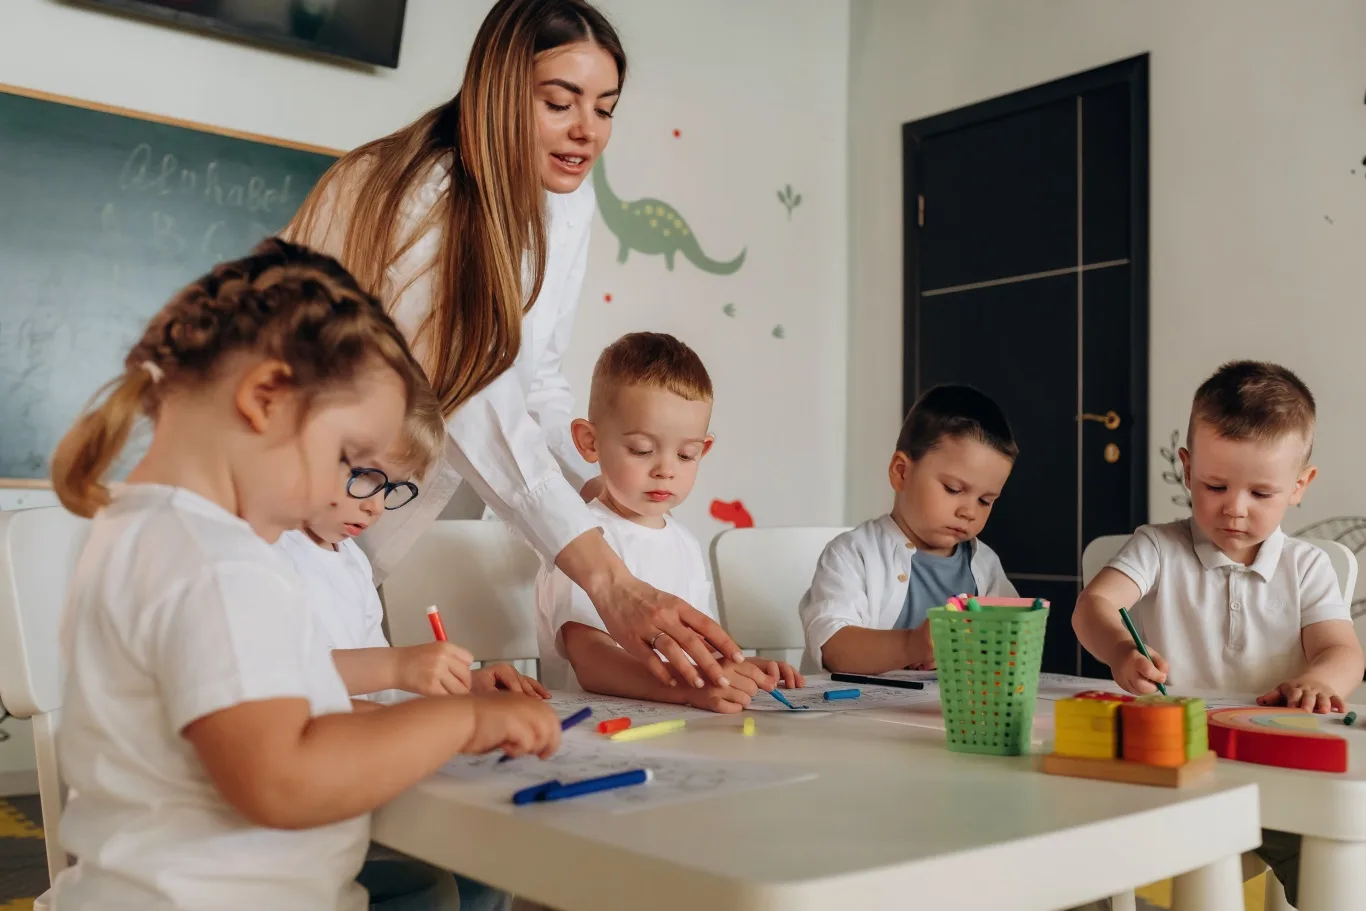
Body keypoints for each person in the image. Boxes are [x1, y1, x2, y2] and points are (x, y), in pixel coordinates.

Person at [48, 239, 561, 911]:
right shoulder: (215, 563)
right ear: (264, 397)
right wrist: (461, 722)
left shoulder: (140, 531)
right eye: (347, 453)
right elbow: (283, 777)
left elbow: (285, 721)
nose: (345, 488)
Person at [285, 0, 742, 692]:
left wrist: (600, 482)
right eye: (560, 102)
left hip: (351, 526)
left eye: (606, 107)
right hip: (295, 508)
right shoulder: (423, 199)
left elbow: (538, 381)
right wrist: (606, 575)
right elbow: (471, 396)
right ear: (499, 94)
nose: (587, 130)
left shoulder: (567, 200)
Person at [1072, 360, 1364, 908]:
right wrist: (1120, 648)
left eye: (1261, 493)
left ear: (1301, 485)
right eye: (1215, 485)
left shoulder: (1305, 567)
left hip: (1272, 768)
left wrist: (1317, 682)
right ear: (1187, 469)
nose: (1235, 508)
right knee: (1072, 836)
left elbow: (1341, 651)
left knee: (1337, 852)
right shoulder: (1157, 547)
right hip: (1167, 763)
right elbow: (1095, 605)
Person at [535, 333, 804, 711]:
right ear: (589, 441)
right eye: (642, 450)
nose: (665, 470)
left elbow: (698, 647)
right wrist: (687, 690)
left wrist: (735, 668)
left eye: (685, 454)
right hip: (595, 730)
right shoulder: (577, 541)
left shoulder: (686, 544)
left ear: (704, 450)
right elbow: (592, 662)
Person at [799, 386, 1018, 674]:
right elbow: (834, 649)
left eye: (985, 500)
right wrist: (913, 644)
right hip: (853, 712)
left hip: (943, 715)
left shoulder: (985, 565)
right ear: (901, 472)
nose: (969, 511)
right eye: (953, 489)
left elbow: (1009, 644)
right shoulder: (853, 555)